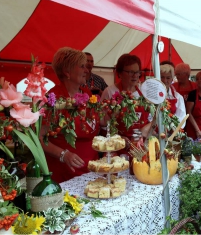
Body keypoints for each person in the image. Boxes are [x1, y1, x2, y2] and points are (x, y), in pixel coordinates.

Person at [42, 47, 100, 183]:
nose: (87, 70)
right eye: (82, 66)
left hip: (92, 169)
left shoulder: (87, 93)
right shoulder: (52, 99)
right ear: (67, 72)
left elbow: (96, 122)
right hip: (66, 173)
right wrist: (63, 154)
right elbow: (39, 139)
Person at [101, 54, 152, 139]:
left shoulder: (145, 91)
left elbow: (155, 118)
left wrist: (146, 129)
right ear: (120, 73)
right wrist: (117, 137)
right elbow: (102, 124)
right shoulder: (110, 91)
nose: (135, 75)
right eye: (131, 72)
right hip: (118, 145)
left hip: (142, 143)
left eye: (137, 72)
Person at [160, 62, 186, 127]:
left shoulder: (178, 97)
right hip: (154, 133)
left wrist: (172, 128)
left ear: (172, 79)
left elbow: (181, 118)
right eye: (162, 77)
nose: (164, 80)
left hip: (172, 133)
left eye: (168, 78)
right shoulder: (151, 95)